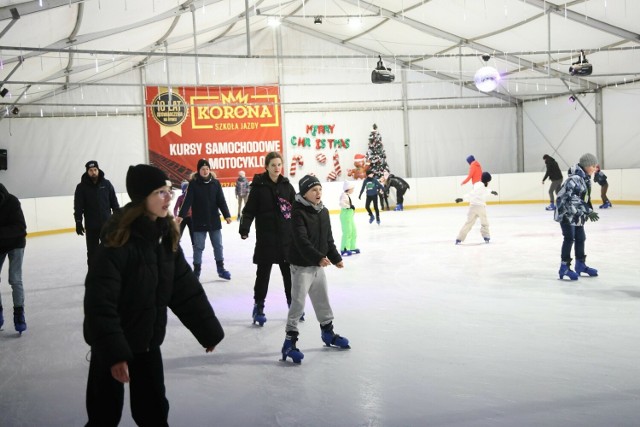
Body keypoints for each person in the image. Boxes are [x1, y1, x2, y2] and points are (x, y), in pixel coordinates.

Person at [83, 164, 224, 426]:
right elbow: (99, 304)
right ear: (141, 199)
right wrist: (114, 354)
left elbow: (184, 289)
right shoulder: (117, 241)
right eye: (160, 192)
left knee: (154, 413)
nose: (168, 197)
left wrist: (208, 330)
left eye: (168, 190)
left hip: (147, 344)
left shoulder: (165, 236)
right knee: (103, 416)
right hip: (110, 345)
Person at [281, 175, 350, 364]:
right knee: (298, 304)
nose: (318, 193)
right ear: (304, 193)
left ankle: (328, 333)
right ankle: (289, 342)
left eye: (320, 189)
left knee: (322, 300)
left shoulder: (323, 211)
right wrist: (318, 257)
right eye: (313, 190)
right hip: (301, 266)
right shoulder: (298, 212)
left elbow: (328, 239)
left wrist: (335, 258)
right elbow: (301, 241)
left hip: (317, 264)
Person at [239, 152, 296, 327]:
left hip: (286, 239)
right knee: (263, 275)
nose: (277, 168)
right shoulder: (258, 187)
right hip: (266, 239)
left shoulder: (287, 186)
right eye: (273, 165)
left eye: (279, 164)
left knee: (289, 276)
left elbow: (296, 210)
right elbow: (249, 211)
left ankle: (293, 306)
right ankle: (259, 306)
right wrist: (244, 228)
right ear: (266, 166)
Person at [177, 159, 233, 280]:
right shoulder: (193, 184)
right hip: (199, 221)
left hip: (214, 220)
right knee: (198, 247)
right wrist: (181, 215)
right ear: (198, 170)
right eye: (203, 169)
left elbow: (221, 201)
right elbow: (188, 201)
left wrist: (227, 215)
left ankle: (221, 269)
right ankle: (196, 272)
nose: (205, 171)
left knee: (218, 245)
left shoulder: (216, 183)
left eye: (207, 169)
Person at [554, 153, 600, 280]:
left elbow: (584, 198)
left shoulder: (584, 178)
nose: (595, 168)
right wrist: (587, 211)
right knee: (569, 238)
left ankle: (580, 264)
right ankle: (564, 267)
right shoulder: (574, 179)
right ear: (585, 166)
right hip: (567, 214)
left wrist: (587, 210)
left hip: (577, 214)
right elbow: (572, 198)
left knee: (581, 238)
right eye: (592, 166)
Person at [74, 160, 120, 266]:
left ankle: (109, 273)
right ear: (87, 172)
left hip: (107, 225)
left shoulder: (106, 184)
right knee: (92, 253)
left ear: (98, 170)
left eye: (95, 170)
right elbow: (78, 206)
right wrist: (78, 221)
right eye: (91, 170)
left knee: (110, 251)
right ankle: (93, 276)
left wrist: (118, 220)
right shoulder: (81, 187)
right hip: (91, 226)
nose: (93, 172)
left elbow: (114, 203)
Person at [0, 183, 27, 334]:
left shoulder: (12, 202)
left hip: (16, 243)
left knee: (15, 279)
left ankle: (19, 314)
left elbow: (20, 227)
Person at [455, 171, 498, 244]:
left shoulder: (479, 185)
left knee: (468, 223)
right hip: (480, 207)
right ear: (487, 181)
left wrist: (491, 191)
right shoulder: (481, 186)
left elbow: (482, 191)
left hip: (472, 207)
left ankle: (459, 238)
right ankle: (486, 236)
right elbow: (473, 194)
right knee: (484, 223)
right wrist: (463, 199)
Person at [339, 181, 359, 256]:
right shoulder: (344, 195)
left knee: (353, 231)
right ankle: (344, 248)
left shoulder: (348, 195)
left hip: (349, 216)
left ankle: (351, 247)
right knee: (347, 232)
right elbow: (341, 203)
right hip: (345, 215)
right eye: (352, 188)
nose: (353, 190)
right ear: (348, 188)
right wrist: (349, 206)